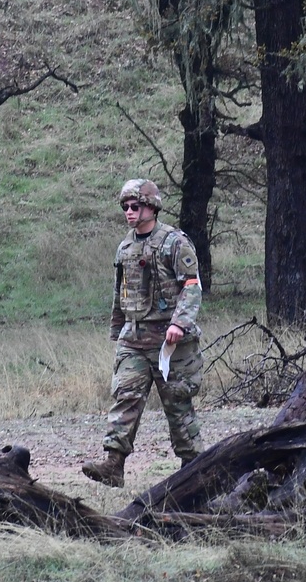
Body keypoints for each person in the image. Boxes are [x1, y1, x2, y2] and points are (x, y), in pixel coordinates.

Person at [82, 179, 204, 488]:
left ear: (151, 207)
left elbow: (192, 286)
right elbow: (119, 291)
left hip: (170, 342)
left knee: (177, 405)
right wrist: (118, 328)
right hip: (134, 338)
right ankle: (113, 463)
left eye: (135, 206)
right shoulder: (125, 246)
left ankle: (193, 469)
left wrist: (179, 323)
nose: (129, 212)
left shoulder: (174, 242)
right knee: (126, 397)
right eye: (125, 207)